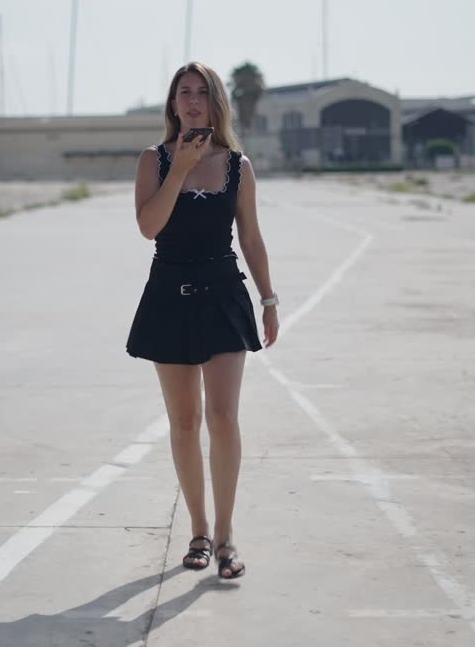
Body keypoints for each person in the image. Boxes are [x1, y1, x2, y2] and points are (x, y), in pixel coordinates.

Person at [126, 61, 279, 580]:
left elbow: (251, 237)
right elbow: (149, 227)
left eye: (201, 92)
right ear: (173, 104)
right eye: (183, 92)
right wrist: (181, 169)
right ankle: (198, 531)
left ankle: (227, 536)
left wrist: (269, 300)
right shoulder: (153, 160)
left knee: (223, 418)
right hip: (168, 297)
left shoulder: (238, 165)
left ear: (216, 102)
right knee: (185, 421)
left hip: (223, 297)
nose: (192, 101)